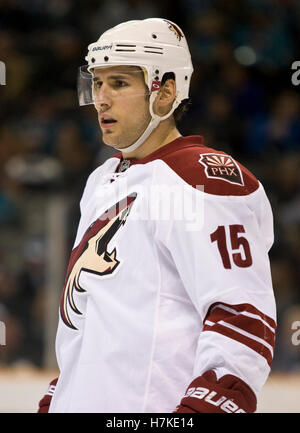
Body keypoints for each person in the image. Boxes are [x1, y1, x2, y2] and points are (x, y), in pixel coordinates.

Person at [38, 18, 276, 413]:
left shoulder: (200, 177)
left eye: (119, 83)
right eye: (97, 83)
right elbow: (88, 323)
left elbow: (242, 319)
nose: (102, 98)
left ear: (165, 93)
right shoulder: (102, 180)